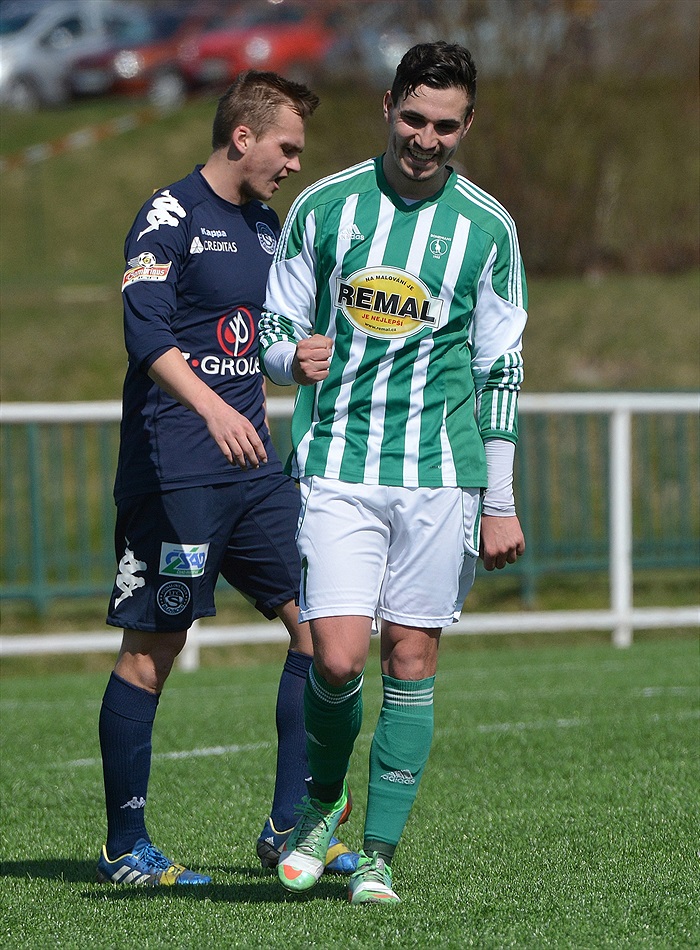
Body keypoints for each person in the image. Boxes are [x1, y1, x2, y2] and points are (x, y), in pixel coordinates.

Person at [258, 42, 527, 904]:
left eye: (445, 126)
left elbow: (501, 371)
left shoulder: (488, 229)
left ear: (467, 126)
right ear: (387, 106)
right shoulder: (324, 206)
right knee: (335, 661)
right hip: (338, 464)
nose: (427, 138)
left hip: (441, 474)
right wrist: (287, 360)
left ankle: (377, 852)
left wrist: (501, 502)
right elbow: (270, 325)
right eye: (414, 118)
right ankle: (320, 805)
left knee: (409, 660)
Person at [97, 70, 358, 887]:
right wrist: (212, 408)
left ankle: (287, 829)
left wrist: (295, 358)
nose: (292, 163)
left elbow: (263, 337)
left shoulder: (268, 227)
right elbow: (146, 332)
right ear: (243, 136)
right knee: (154, 649)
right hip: (177, 471)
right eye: (287, 147)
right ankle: (125, 848)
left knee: (320, 637)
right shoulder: (168, 215)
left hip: (253, 475)